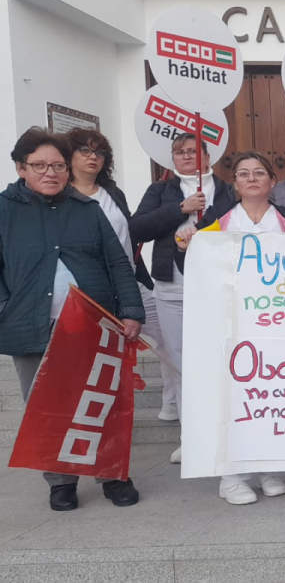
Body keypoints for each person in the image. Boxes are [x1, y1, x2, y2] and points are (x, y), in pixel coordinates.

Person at [0, 128, 144, 511]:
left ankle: (113, 475)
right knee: (46, 405)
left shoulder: (87, 208)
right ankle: (61, 482)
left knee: (103, 401)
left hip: (93, 324)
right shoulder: (4, 210)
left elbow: (118, 263)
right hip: (33, 326)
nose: (51, 173)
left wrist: (130, 312)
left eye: (59, 166)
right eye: (40, 165)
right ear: (20, 167)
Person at [179, 152, 285, 505]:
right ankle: (230, 475)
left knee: (271, 395)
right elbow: (194, 266)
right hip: (231, 325)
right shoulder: (217, 224)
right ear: (235, 183)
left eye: (260, 172)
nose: (252, 178)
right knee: (234, 395)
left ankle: (267, 465)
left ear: (272, 181)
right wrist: (186, 245)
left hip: (277, 325)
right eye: (243, 173)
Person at [130, 135, 237, 464]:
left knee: (223, 355)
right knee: (180, 359)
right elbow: (138, 228)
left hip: (219, 285)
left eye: (193, 151)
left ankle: (230, 431)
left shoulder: (227, 189)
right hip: (174, 285)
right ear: (172, 159)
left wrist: (205, 216)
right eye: (180, 152)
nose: (187, 157)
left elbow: (237, 223)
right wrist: (181, 209)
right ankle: (191, 434)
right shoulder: (160, 191)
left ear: (207, 155)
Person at [66, 128, 168, 418]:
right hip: (87, 291)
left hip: (130, 283)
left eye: (99, 152)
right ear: (69, 156)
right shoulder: (61, 195)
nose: (93, 157)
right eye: (84, 150)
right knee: (94, 362)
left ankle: (176, 402)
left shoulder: (112, 192)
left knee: (168, 340)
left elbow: (129, 236)